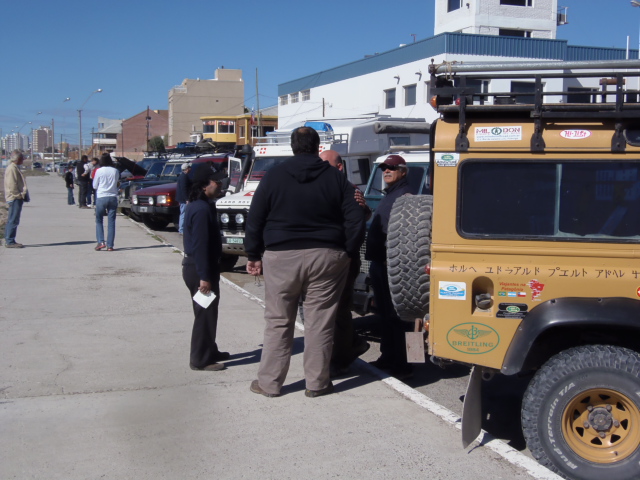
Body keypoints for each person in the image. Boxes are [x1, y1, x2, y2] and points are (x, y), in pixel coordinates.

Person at [245, 127, 365, 398]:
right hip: (327, 256)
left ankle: (269, 383)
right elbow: (355, 218)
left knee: (278, 320)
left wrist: (253, 255)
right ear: (316, 146)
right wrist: (347, 250)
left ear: (292, 146)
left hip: (281, 256)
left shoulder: (274, 176)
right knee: (320, 321)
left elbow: (255, 218)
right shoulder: (335, 179)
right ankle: (317, 383)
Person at [319, 150, 371, 376]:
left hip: (344, 259)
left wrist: (347, 254)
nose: (319, 168)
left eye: (325, 164)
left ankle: (342, 358)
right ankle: (352, 344)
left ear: (339, 167)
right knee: (332, 310)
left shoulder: (349, 190)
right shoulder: (324, 187)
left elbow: (358, 224)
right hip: (326, 259)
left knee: (339, 309)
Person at [365, 154, 414, 379]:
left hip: (394, 266)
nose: (387, 171)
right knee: (385, 315)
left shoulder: (405, 196)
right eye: (384, 167)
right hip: (380, 263)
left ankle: (406, 364)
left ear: (403, 172)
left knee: (401, 317)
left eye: (392, 168)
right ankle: (388, 357)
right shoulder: (391, 194)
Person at [182, 168, 229, 371]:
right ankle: (200, 359)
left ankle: (210, 348)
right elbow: (200, 245)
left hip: (201, 267)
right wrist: (204, 277)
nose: (219, 185)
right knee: (205, 314)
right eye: (216, 182)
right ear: (204, 186)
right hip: (200, 269)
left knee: (208, 312)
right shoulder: (201, 209)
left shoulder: (203, 205)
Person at [92, 153, 120, 251]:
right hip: (113, 197)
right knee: (111, 221)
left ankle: (101, 242)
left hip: (101, 196)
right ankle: (110, 245)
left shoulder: (99, 171)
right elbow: (117, 183)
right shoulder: (115, 171)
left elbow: (95, 185)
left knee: (99, 219)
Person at [4, 150, 29, 248]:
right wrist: (18, 195)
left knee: (13, 219)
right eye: (22, 158)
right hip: (14, 198)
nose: (23, 160)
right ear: (18, 159)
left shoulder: (14, 168)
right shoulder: (12, 169)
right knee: (13, 219)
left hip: (15, 197)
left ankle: (9, 239)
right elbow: (12, 184)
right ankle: (10, 241)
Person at [176, 162, 192, 235]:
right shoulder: (184, 177)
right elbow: (184, 189)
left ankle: (182, 229)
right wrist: (187, 199)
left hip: (182, 199)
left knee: (183, 213)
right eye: (189, 168)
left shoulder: (183, 176)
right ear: (186, 169)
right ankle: (181, 229)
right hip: (183, 199)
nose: (190, 169)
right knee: (183, 213)